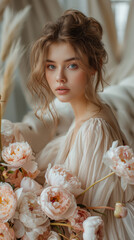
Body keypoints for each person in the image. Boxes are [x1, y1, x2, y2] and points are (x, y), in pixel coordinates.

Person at [28, 9, 134, 240]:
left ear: (93, 66)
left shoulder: (94, 129)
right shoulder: (89, 114)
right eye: (51, 66)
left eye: (72, 65)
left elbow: (86, 218)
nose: (60, 78)